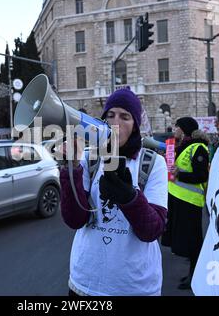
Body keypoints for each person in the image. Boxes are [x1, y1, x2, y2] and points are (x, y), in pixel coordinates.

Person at [60, 88, 168, 296]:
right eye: (110, 115)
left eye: (125, 116)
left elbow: (153, 230)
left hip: (134, 287)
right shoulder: (89, 159)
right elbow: (74, 220)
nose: (115, 122)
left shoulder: (153, 163)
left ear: (136, 125)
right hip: (85, 283)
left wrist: (129, 197)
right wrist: (70, 168)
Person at [161, 117, 210, 290]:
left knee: (193, 241)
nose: (174, 129)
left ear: (184, 129)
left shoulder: (199, 148)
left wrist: (179, 174)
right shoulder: (183, 146)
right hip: (179, 199)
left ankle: (195, 276)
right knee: (186, 241)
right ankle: (192, 273)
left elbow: (202, 176)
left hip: (190, 201)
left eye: (177, 127)